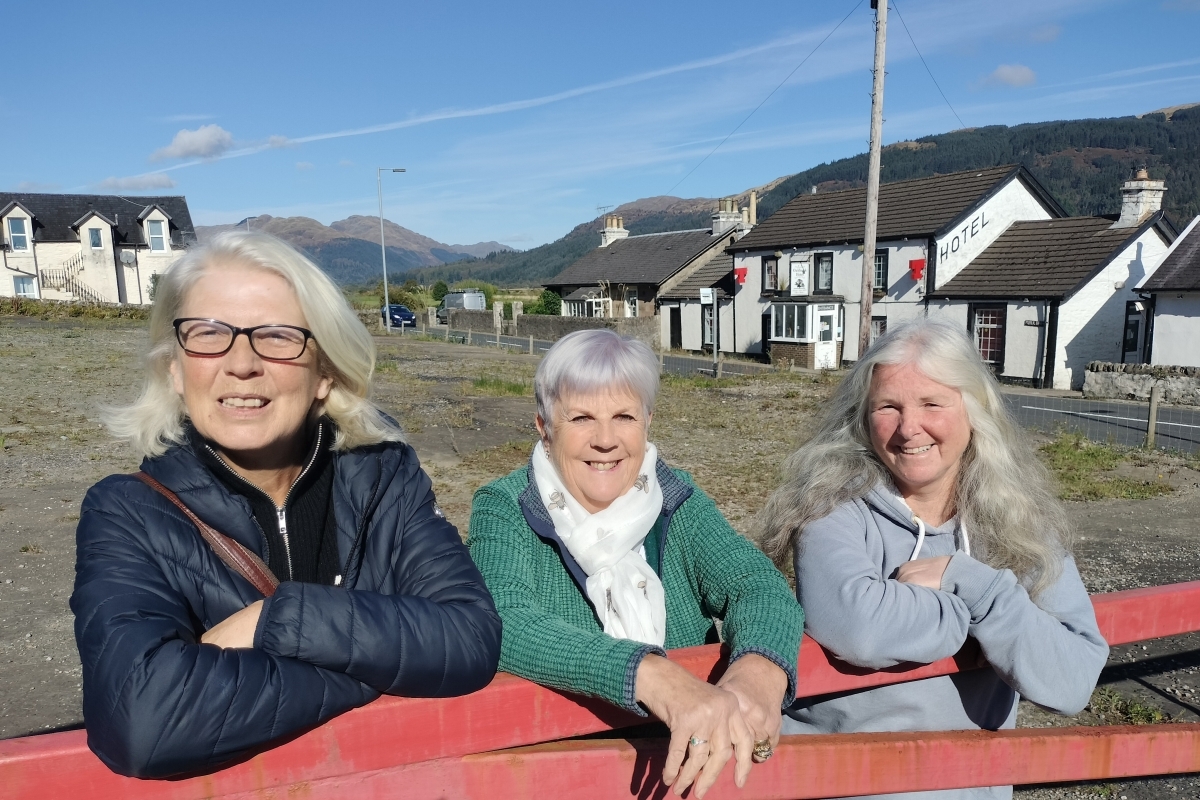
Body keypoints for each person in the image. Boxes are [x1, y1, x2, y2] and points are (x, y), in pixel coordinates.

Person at [71, 231, 501, 778]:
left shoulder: (385, 477)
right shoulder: (126, 513)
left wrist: (277, 619)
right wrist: (384, 665)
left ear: (325, 371)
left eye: (277, 337)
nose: (241, 364)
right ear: (174, 367)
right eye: (209, 334)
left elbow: (469, 637)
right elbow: (145, 720)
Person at [761, 319, 1109, 800]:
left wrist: (971, 584)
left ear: (973, 410)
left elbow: (1071, 681)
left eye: (932, 404)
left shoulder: (1018, 523)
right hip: (840, 783)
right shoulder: (829, 507)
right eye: (888, 406)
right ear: (863, 416)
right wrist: (977, 618)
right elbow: (859, 628)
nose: (908, 429)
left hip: (965, 786)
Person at [467, 329, 804, 800]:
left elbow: (758, 586)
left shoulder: (675, 499)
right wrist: (651, 675)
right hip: (571, 777)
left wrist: (759, 673)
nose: (606, 440)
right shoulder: (507, 507)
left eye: (623, 415)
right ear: (544, 425)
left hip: (698, 774)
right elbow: (503, 616)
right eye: (581, 417)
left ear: (647, 420)